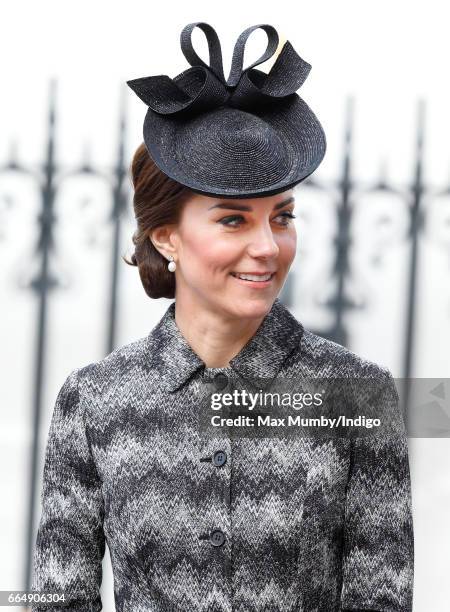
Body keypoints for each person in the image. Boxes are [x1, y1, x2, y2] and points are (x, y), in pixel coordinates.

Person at [31, 22, 414, 612]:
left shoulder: (358, 395)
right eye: (233, 220)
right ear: (167, 238)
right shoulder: (92, 400)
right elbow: (58, 600)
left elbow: (381, 600)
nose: (268, 246)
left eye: (282, 217)